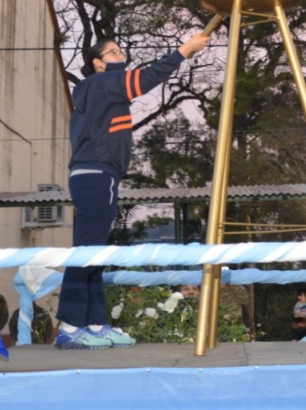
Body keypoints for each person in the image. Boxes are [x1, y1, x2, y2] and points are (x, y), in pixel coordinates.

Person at [55, 33, 210, 350]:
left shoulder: (101, 92)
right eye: (112, 52)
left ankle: (96, 325)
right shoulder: (102, 83)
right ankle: (70, 327)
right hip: (96, 173)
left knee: (94, 253)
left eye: (120, 50)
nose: (119, 54)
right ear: (98, 63)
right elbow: (147, 77)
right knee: (86, 252)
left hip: (99, 174)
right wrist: (182, 51)